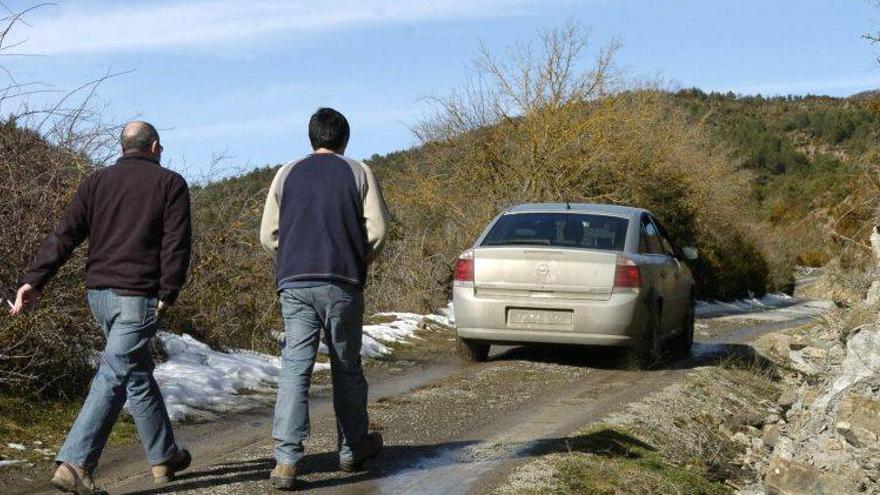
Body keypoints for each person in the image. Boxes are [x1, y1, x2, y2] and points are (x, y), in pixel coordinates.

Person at [10, 121, 193, 494]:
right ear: (155, 147)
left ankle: (164, 455)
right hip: (137, 296)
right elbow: (176, 243)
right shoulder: (170, 184)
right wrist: (169, 290)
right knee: (115, 373)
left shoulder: (96, 182)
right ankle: (76, 464)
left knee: (135, 371)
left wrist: (34, 279)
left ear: (123, 147)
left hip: (99, 296)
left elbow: (65, 234)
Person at [260, 107, 390, 490]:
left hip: (295, 284)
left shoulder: (286, 172)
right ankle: (351, 449)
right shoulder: (358, 171)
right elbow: (378, 231)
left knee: (295, 368)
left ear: (312, 138)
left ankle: (286, 460)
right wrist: (356, 259)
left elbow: (269, 234)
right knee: (346, 366)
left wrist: (292, 257)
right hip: (342, 282)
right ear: (344, 139)